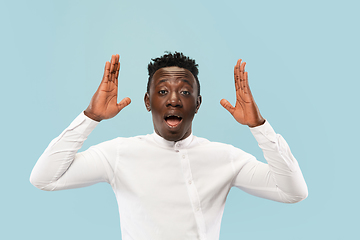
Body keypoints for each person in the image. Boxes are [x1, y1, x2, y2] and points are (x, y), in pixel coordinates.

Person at [30, 52, 308, 240]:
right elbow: (44, 178)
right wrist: (90, 118)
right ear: (148, 102)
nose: (174, 100)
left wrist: (258, 126)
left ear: (197, 104)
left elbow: (293, 192)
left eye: (185, 92)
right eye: (162, 91)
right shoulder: (118, 153)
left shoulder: (225, 157)